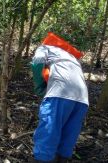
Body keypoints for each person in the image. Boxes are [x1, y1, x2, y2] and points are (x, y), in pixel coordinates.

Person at [31, 32, 89, 163]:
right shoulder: (70, 56)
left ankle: (42, 159)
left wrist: (38, 84)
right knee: (69, 134)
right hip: (82, 99)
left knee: (49, 131)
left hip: (60, 93)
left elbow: (37, 63)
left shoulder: (44, 48)